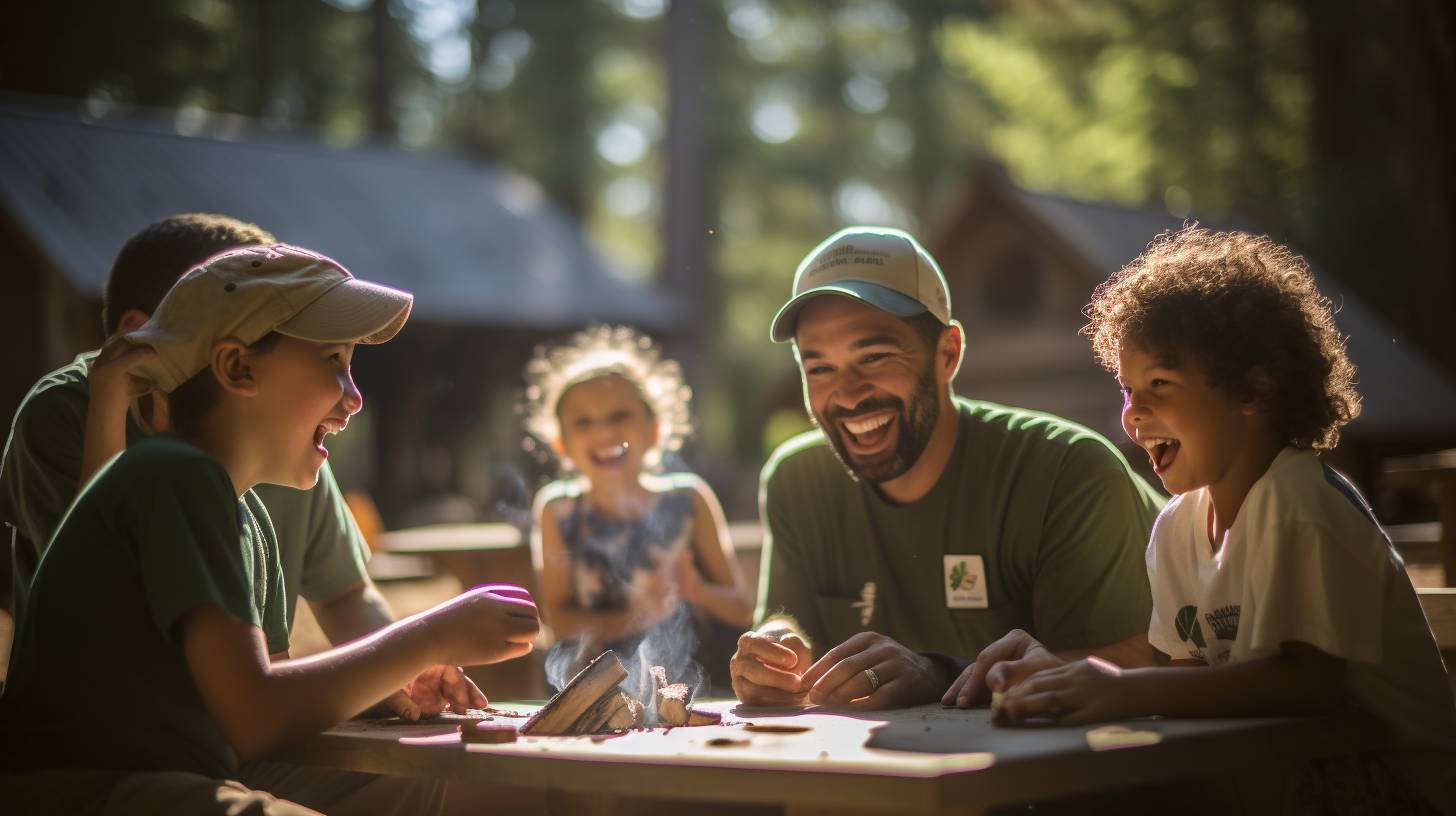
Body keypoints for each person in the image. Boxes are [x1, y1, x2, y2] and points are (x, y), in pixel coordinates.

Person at [0, 243, 541, 815]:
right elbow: (258, 716)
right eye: (333, 362)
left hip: (167, 776)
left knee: (406, 777)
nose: (354, 398)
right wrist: (429, 636)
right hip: (80, 790)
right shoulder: (172, 475)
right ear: (238, 367)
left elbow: (264, 690)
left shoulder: (245, 516)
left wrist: (388, 684)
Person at [988, 226, 1456, 813]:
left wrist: (1122, 693)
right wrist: (1054, 673)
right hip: (1287, 770)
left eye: (1159, 384)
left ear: (1253, 390)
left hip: (1394, 786)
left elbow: (1309, 684)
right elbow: (1181, 680)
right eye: (1129, 391)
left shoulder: (1299, 501)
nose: (1134, 416)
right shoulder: (1178, 528)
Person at [730, 226, 1165, 709]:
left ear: (948, 353)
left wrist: (941, 675)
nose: (848, 394)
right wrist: (775, 645)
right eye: (820, 369)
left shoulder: (1067, 471)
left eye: (873, 357)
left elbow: (1134, 661)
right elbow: (790, 620)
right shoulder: (797, 481)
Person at [524, 325, 751, 694]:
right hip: (593, 689)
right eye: (584, 421)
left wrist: (697, 592)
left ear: (655, 430)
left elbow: (742, 608)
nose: (603, 432)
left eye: (619, 416)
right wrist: (639, 614)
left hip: (695, 683)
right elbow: (558, 620)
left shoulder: (689, 499)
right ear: (561, 443)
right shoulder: (558, 509)